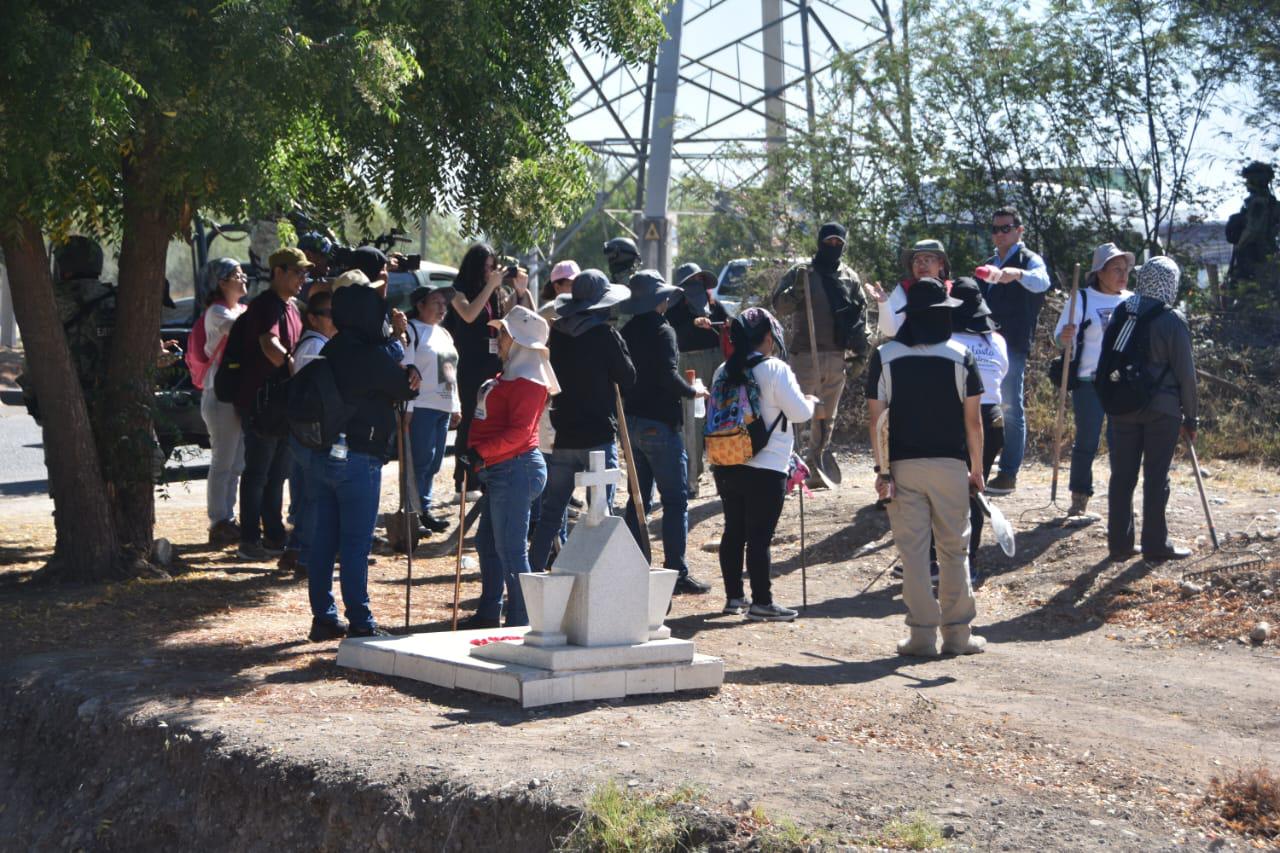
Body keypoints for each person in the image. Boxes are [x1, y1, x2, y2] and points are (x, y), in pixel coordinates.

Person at [866, 278, 987, 657]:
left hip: (902, 466)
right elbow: (974, 423)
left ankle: (921, 636)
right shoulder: (960, 355)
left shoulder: (884, 356)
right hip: (951, 464)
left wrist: (882, 471)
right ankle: (958, 635)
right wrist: (977, 469)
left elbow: (877, 421)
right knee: (954, 550)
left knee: (914, 552)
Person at [306, 282, 421, 641]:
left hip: (324, 454)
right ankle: (360, 620)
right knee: (355, 543)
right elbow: (406, 388)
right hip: (359, 457)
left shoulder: (333, 348)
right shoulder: (373, 354)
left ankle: (324, 617)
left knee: (323, 540)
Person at [709, 308, 816, 621]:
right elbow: (799, 413)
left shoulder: (721, 371)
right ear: (769, 337)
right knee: (759, 536)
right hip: (767, 466)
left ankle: (734, 598)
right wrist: (810, 401)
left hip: (726, 461)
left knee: (734, 531)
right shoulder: (775, 369)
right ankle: (762, 602)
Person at [527, 269, 635, 573]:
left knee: (551, 512)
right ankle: (601, 574)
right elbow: (628, 378)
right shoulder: (605, 335)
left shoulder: (557, 335)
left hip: (565, 435)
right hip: (598, 438)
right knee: (600, 511)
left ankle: (532, 571)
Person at [459, 306, 557, 628]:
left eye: (503, 333)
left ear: (517, 340)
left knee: (511, 550)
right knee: (489, 544)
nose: (497, 338)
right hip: (502, 468)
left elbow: (518, 434)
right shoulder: (511, 376)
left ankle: (520, 621)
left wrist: (481, 453)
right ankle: (490, 612)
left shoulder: (529, 383)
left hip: (514, 468)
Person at [618, 270, 711, 594]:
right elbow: (668, 377)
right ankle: (676, 571)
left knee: (637, 500)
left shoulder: (626, 331)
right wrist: (693, 392)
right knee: (674, 500)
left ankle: (633, 569)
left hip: (631, 423)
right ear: (659, 299)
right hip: (660, 424)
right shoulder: (664, 331)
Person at [1106, 257, 1198, 562]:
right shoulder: (1172, 320)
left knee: (1122, 477)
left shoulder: (1123, 311)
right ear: (1170, 283)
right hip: (1163, 409)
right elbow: (1186, 374)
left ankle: (1119, 545)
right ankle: (1155, 546)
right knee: (1156, 478)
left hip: (1121, 406)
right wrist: (1192, 416)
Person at [771, 222, 870, 486]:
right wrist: (797, 292)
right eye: (829, 243)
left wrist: (862, 353)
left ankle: (816, 461)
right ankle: (790, 464)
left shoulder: (849, 278)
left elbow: (861, 315)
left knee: (827, 415)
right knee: (796, 412)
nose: (833, 247)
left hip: (837, 356)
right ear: (820, 242)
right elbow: (779, 306)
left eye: (838, 243)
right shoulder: (803, 273)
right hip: (805, 355)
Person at [445, 244, 533, 504]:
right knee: (471, 417)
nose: (491, 273)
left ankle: (485, 472)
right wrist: (490, 286)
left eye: (494, 268)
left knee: (490, 417)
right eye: (487, 268)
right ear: (475, 267)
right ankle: (464, 478)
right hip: (470, 363)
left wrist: (520, 290)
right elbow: (470, 315)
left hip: (493, 361)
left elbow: (516, 316)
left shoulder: (495, 292)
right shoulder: (456, 291)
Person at [235, 247, 308, 561]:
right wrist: (294, 364)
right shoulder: (266, 305)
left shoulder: (292, 306)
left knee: (279, 473)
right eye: (297, 272)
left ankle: (274, 534)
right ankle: (249, 539)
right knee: (258, 473)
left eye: (304, 272)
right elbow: (269, 343)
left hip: (285, 404)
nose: (302, 278)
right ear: (278, 272)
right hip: (264, 403)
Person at [1053, 243, 1134, 517]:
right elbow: (1060, 338)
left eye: (1126, 270)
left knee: (1121, 442)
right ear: (1099, 272)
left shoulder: (1131, 301)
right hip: (1089, 381)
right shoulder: (1082, 299)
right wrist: (1065, 337)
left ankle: (1121, 501)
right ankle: (1079, 498)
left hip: (1121, 382)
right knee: (1087, 440)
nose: (1123, 275)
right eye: (1116, 269)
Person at [978, 208, 1051, 495]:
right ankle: (979, 465)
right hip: (984, 343)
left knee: (1010, 407)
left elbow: (1042, 282)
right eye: (995, 229)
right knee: (982, 403)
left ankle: (1008, 473)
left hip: (1013, 344)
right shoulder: (989, 263)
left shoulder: (1029, 260)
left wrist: (1017, 274)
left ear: (1019, 231)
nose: (999, 234)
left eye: (1005, 228)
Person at [948, 278, 1008, 573]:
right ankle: (969, 559)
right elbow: (1002, 374)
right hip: (994, 419)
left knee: (950, 491)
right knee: (975, 487)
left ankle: (944, 559)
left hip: (961, 417)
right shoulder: (997, 340)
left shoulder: (949, 341)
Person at [278, 290, 336, 576]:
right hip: (310, 434)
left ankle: (296, 550)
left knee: (305, 496)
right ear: (313, 318)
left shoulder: (317, 344)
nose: (335, 319)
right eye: (329, 314)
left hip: (303, 434)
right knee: (314, 496)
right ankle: (306, 558)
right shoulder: (315, 347)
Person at [402, 282, 461, 533]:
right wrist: (409, 406)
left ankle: (424, 508)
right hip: (422, 404)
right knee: (420, 460)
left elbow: (451, 371)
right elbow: (407, 369)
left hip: (443, 405)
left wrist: (456, 404)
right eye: (436, 303)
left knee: (435, 462)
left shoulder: (444, 334)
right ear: (420, 305)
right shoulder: (412, 331)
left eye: (444, 304)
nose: (442, 308)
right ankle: (415, 512)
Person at [666, 262, 728, 497]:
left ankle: (723, 472)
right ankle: (692, 477)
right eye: (692, 282)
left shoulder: (714, 305)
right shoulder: (673, 310)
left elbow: (728, 322)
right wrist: (692, 323)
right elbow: (672, 332)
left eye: (700, 282)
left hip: (716, 362)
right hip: (689, 365)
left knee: (720, 416)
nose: (697, 287)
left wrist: (729, 325)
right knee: (692, 420)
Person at [198, 258, 248, 546]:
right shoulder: (217, 313)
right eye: (237, 275)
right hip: (219, 394)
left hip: (234, 394)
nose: (243, 278)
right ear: (222, 282)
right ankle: (219, 520)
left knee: (237, 460)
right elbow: (243, 330)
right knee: (223, 460)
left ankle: (229, 518)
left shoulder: (239, 309)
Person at [869, 239, 951, 338]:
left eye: (927, 259)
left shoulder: (954, 290)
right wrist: (883, 303)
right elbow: (890, 331)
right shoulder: (904, 289)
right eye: (917, 261)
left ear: (941, 264)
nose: (921, 265)